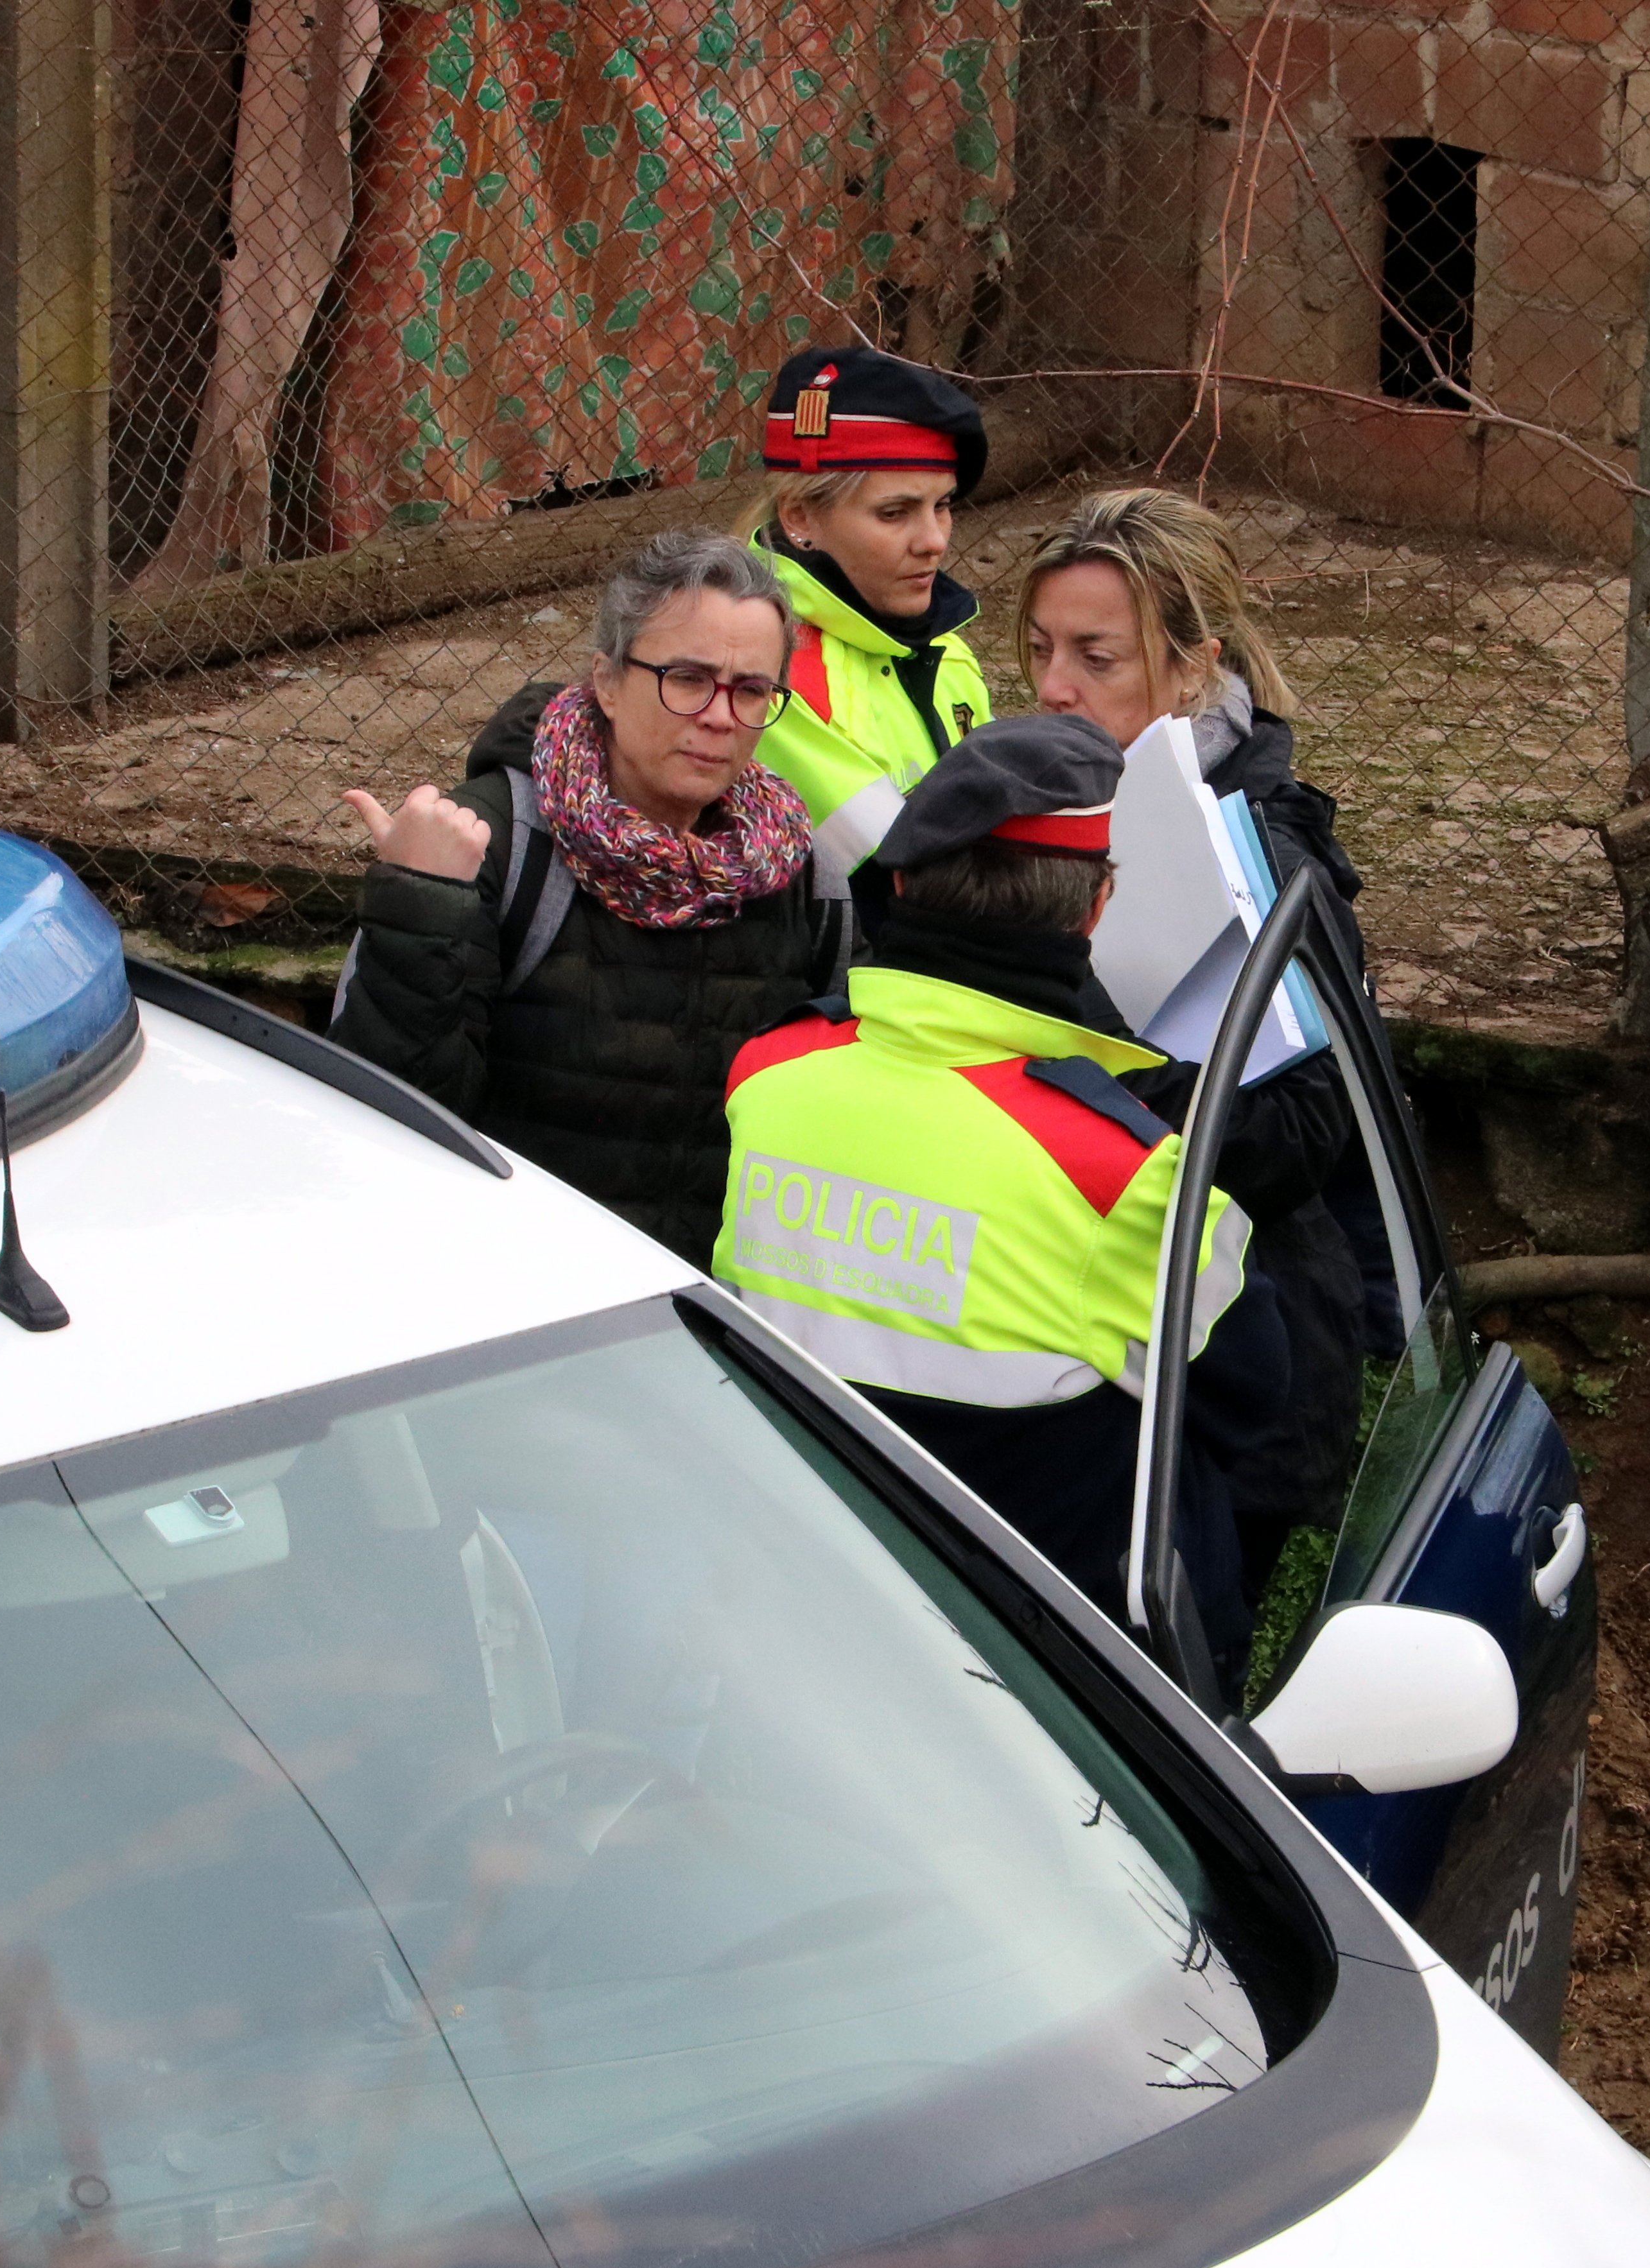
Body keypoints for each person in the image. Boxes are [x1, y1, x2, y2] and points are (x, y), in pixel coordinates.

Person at [712, 713, 1289, 1700]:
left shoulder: (764, 1072)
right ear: (1095, 911)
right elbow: (1251, 1395)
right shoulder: (1127, 1171)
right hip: (1042, 1671)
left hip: (795, 1597)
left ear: (898, 885)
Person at [1016, 484, 1402, 1589]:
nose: (1053, 686)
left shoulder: (1263, 861)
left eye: (1098, 656)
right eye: (1041, 649)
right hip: (1100, 1336)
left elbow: (1307, 1128)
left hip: (1242, 1354)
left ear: (1193, 666)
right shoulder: (1054, 811)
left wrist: (1094, 1093)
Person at [329, 530, 837, 1261]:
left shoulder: (799, 871)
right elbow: (392, 1122)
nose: (721, 716)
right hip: (517, 1296)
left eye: (751, 689)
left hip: (714, 1324)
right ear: (606, 680)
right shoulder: (490, 846)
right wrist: (418, 910)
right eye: (687, 678)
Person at [749, 347, 994, 882]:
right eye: (894, 513)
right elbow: (887, 881)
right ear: (799, 517)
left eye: (943, 506)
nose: (934, 542)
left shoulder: (947, 649)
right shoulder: (769, 670)